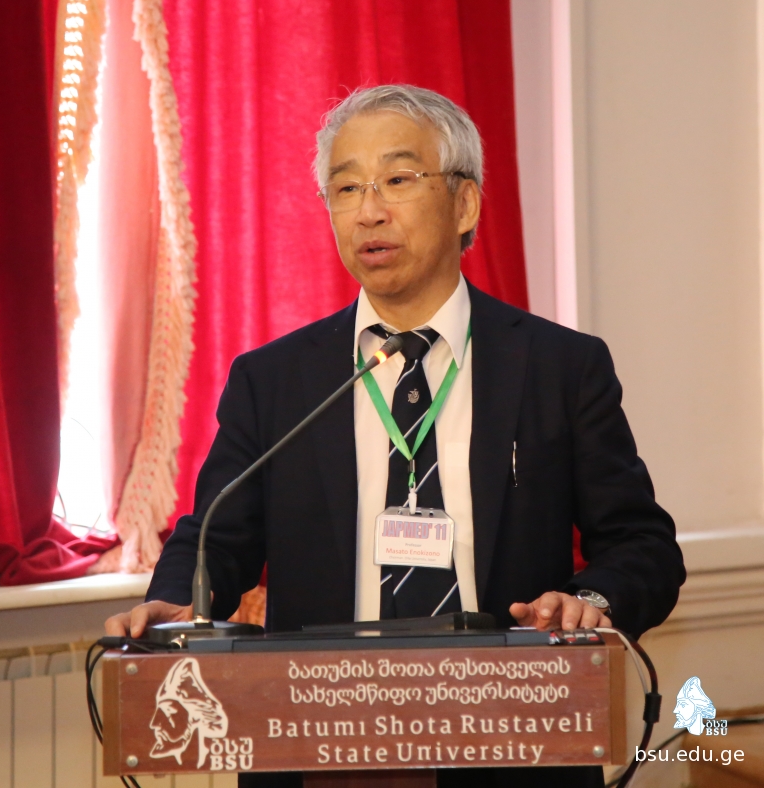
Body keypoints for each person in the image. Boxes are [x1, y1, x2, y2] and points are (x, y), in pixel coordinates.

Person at [107, 85, 685, 787]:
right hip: (317, 742)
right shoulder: (276, 379)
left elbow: (641, 545)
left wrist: (590, 603)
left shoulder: (558, 367)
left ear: (464, 203)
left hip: (511, 745)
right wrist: (178, 600)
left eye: (398, 179)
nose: (368, 210)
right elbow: (215, 535)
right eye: (346, 187)